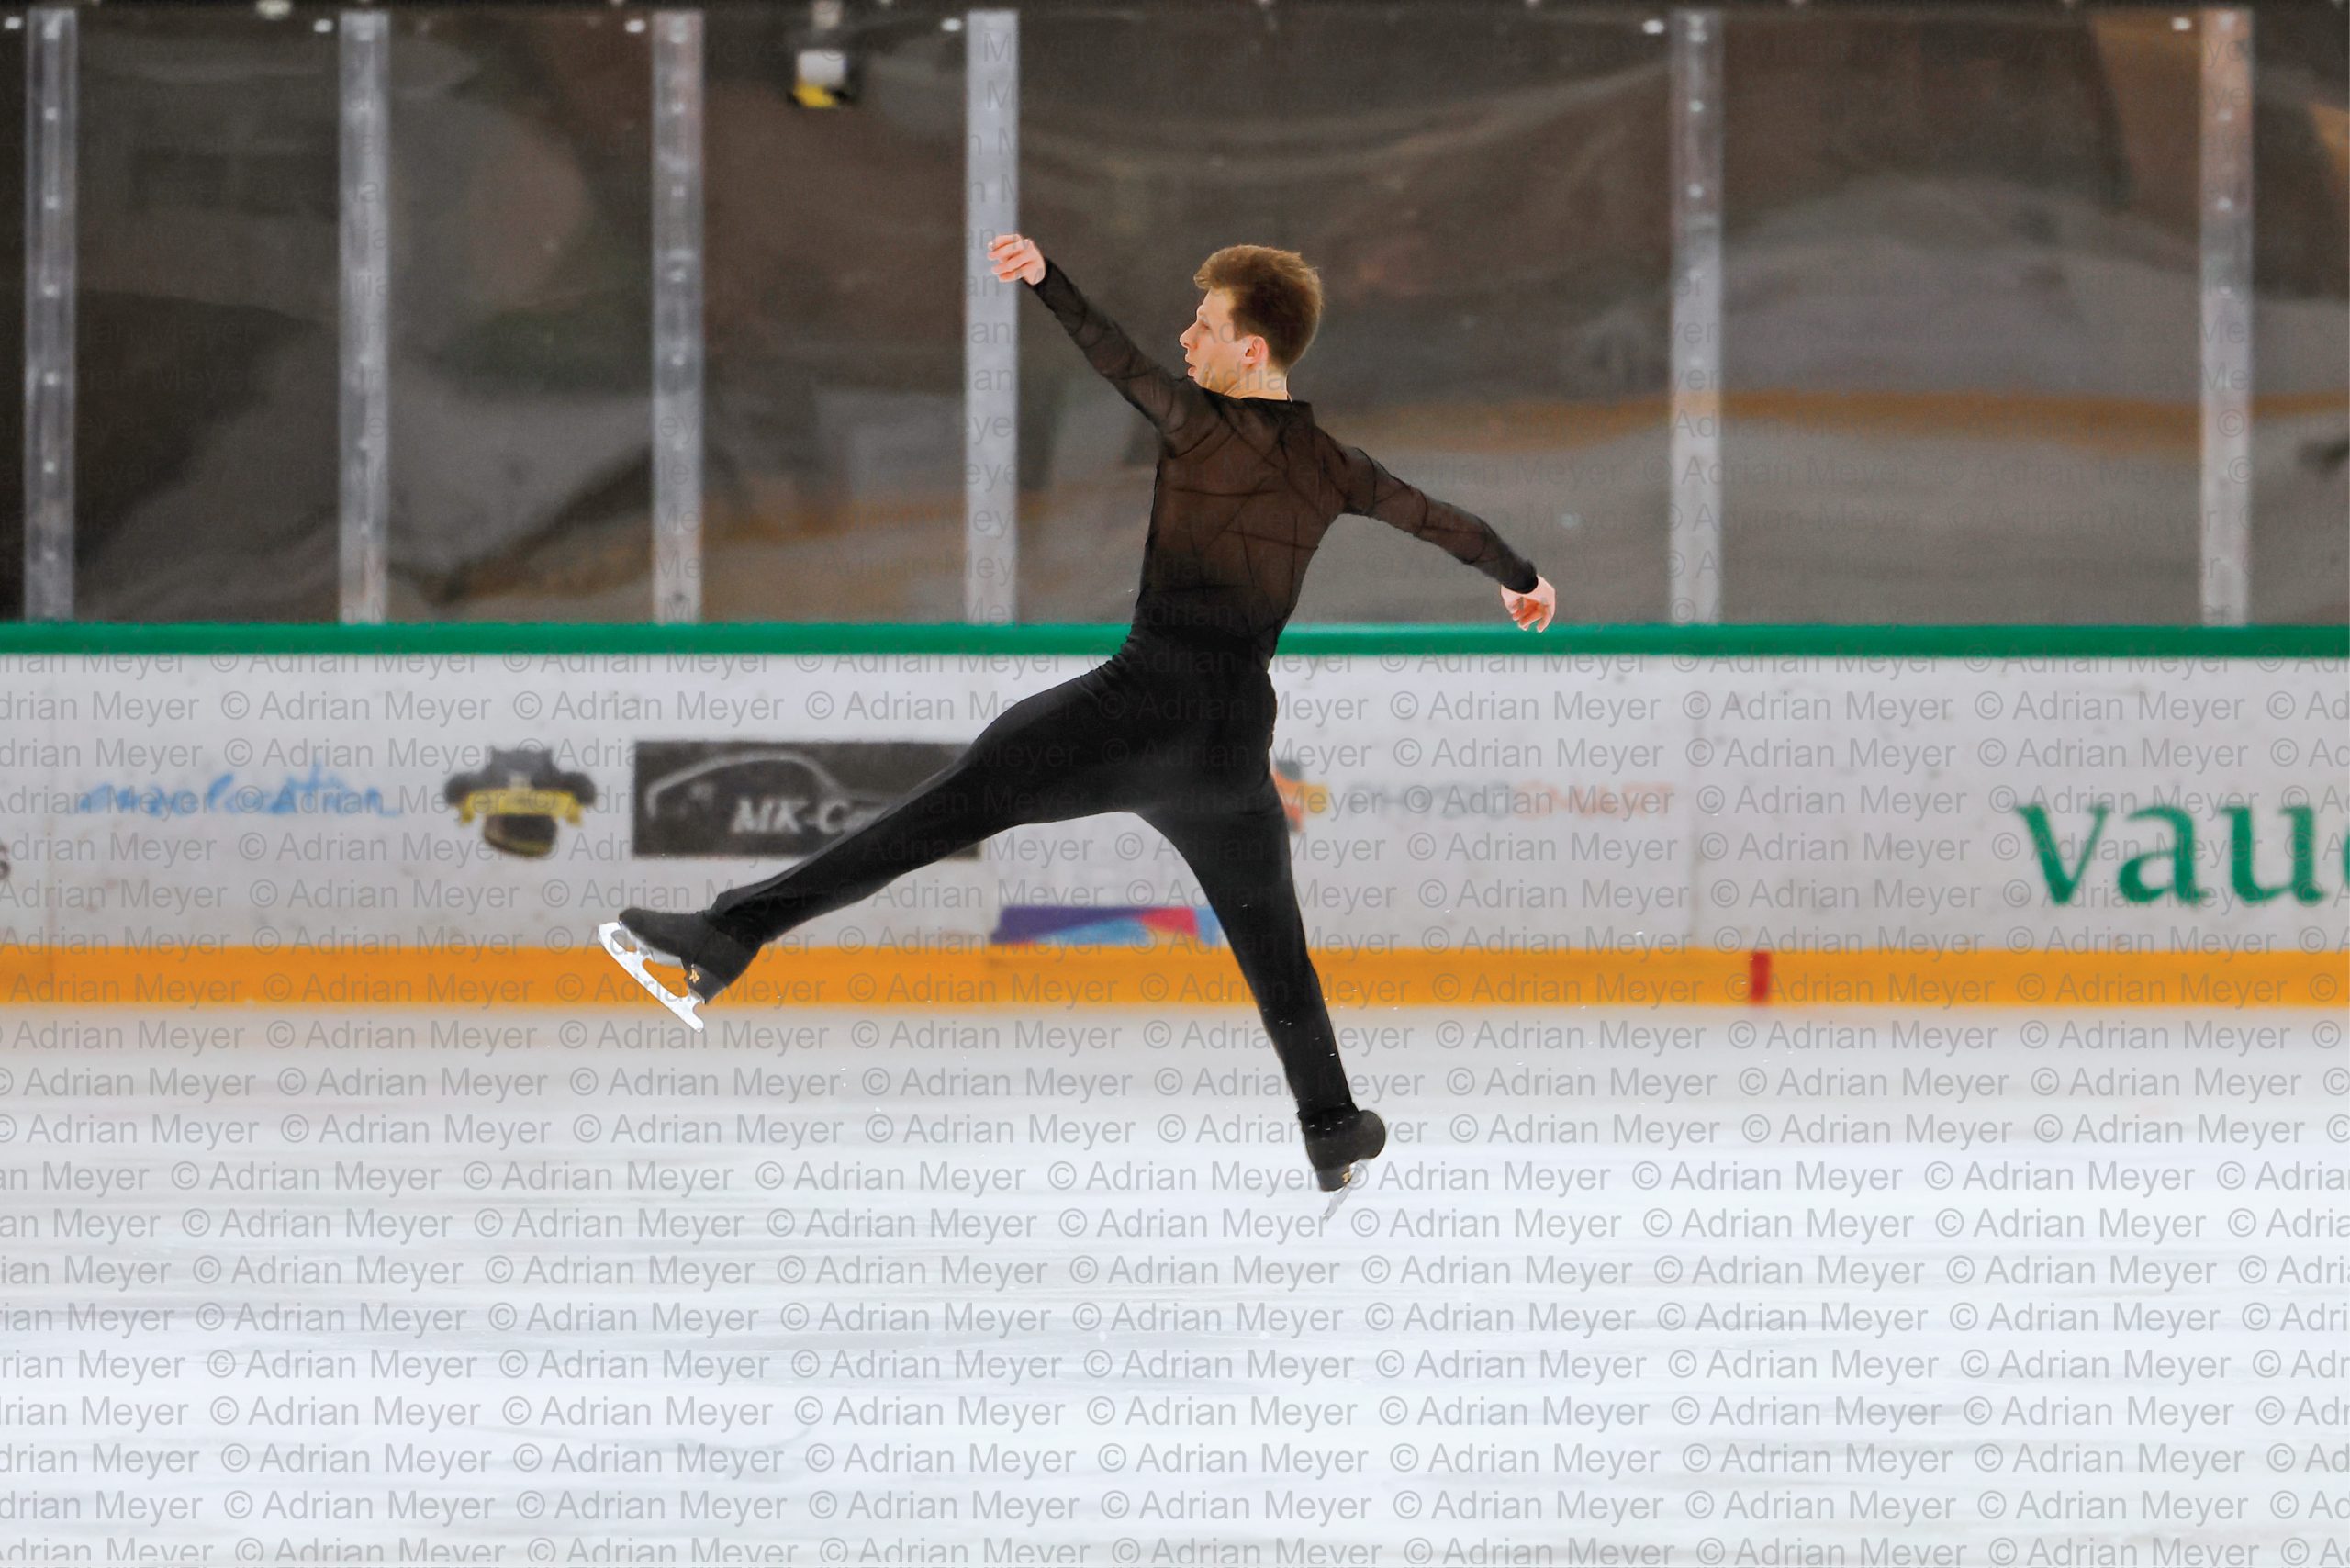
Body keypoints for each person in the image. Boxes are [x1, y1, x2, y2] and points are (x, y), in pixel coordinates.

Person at [604, 233, 1556, 1198]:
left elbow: (1115, 359)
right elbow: (1443, 522)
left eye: (1206, 324)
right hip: (1228, 749)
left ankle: (729, 937)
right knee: (1275, 949)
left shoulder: (1195, 424)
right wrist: (1521, 579)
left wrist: (1046, 280)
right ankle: (1331, 1127)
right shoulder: (1335, 466)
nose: (1187, 339)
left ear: (1251, 352)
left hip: (1129, 712)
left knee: (928, 817)